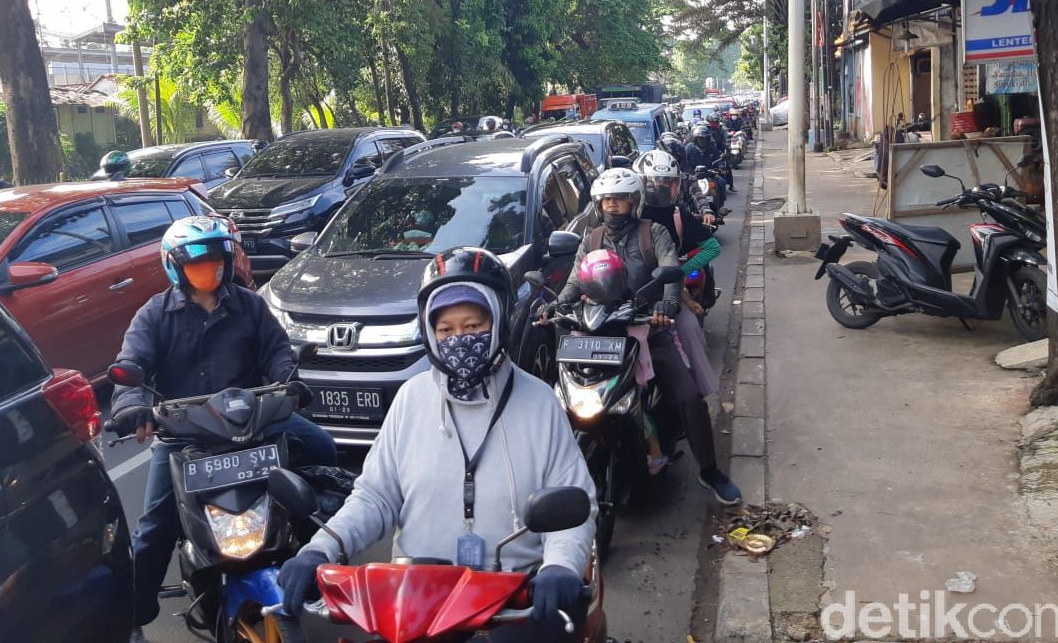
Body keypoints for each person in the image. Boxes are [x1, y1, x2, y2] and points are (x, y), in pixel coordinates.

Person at [277, 247, 596, 641]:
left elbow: (573, 502)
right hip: (416, 601)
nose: (459, 339)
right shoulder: (411, 399)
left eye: (474, 325)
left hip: (514, 600)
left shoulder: (540, 402)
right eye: (445, 330)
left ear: (498, 321)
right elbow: (376, 496)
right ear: (430, 332)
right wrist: (322, 548)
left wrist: (560, 565)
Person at [109, 217, 337, 642]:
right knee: (156, 525)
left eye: (217, 260)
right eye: (199, 263)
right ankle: (132, 620)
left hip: (255, 422)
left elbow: (276, 353)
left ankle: (313, 560)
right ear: (175, 266)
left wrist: (289, 383)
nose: (210, 269)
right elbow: (132, 368)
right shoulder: (154, 315)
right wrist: (133, 407)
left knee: (322, 449)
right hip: (184, 435)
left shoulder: (249, 305)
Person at [544, 169, 740, 506]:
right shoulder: (590, 239)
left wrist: (666, 304)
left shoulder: (655, 232)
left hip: (648, 327)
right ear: (597, 203)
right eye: (607, 200)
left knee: (688, 396)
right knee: (558, 397)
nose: (613, 206)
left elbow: (670, 270)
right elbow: (576, 282)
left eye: (620, 200)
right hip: (600, 331)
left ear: (634, 203)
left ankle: (709, 471)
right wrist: (557, 304)